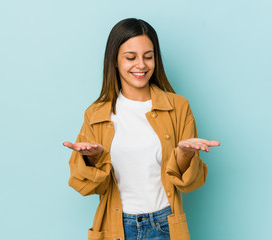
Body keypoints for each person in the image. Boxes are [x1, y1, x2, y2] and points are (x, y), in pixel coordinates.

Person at [63, 18, 220, 240]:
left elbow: (191, 184)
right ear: (115, 61)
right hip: (117, 228)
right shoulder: (96, 114)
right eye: (131, 57)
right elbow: (87, 187)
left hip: (165, 225)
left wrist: (184, 155)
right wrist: (92, 160)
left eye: (148, 56)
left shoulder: (178, 107)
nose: (141, 65)